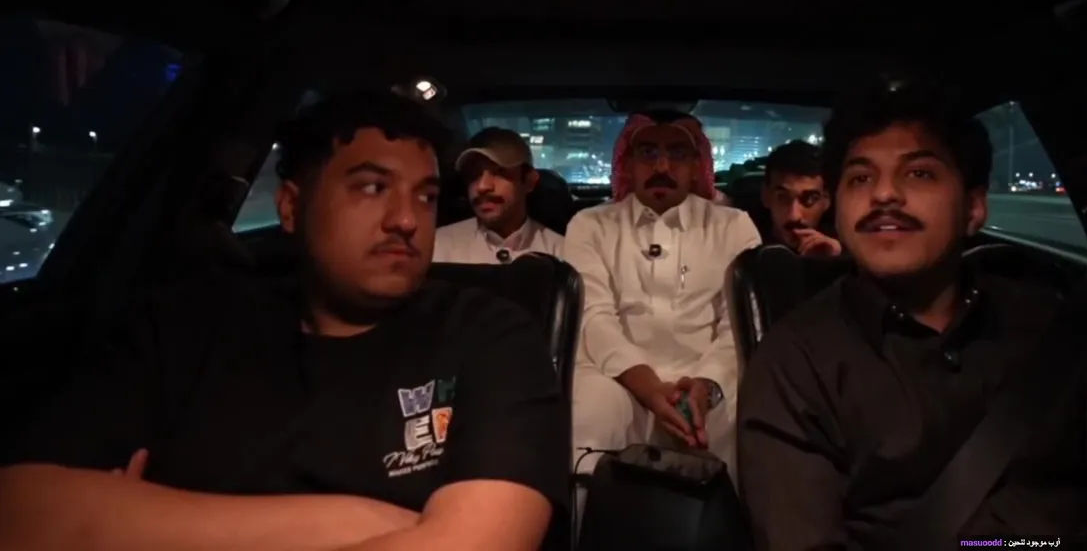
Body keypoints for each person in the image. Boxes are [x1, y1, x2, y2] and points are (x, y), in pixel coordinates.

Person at [0, 90, 568, 551]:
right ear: (292, 207)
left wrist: (139, 522)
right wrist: (362, 522)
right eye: (372, 187)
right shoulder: (183, 327)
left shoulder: (490, 334)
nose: (405, 219)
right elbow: (23, 517)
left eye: (424, 197)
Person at [737, 83, 1087, 549]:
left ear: (974, 208)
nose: (884, 194)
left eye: (919, 173)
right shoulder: (793, 364)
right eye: (860, 179)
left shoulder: (1055, 326)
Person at [565, 109, 761, 479]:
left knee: (743, 410)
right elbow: (595, 318)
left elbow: (735, 328)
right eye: (648, 153)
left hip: (707, 380)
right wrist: (651, 390)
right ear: (629, 163)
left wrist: (705, 386)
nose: (662, 166)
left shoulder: (734, 226)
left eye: (677, 153)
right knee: (594, 408)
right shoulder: (590, 225)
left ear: (695, 165)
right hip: (617, 379)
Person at [434, 127, 564, 264]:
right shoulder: (437, 246)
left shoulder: (562, 253)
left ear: (529, 181)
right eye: (473, 175)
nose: (482, 186)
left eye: (499, 172)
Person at [758, 140, 842, 257]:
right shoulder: (743, 248)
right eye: (783, 198)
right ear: (765, 196)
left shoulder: (849, 246)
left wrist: (835, 261)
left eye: (810, 199)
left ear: (827, 200)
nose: (794, 216)